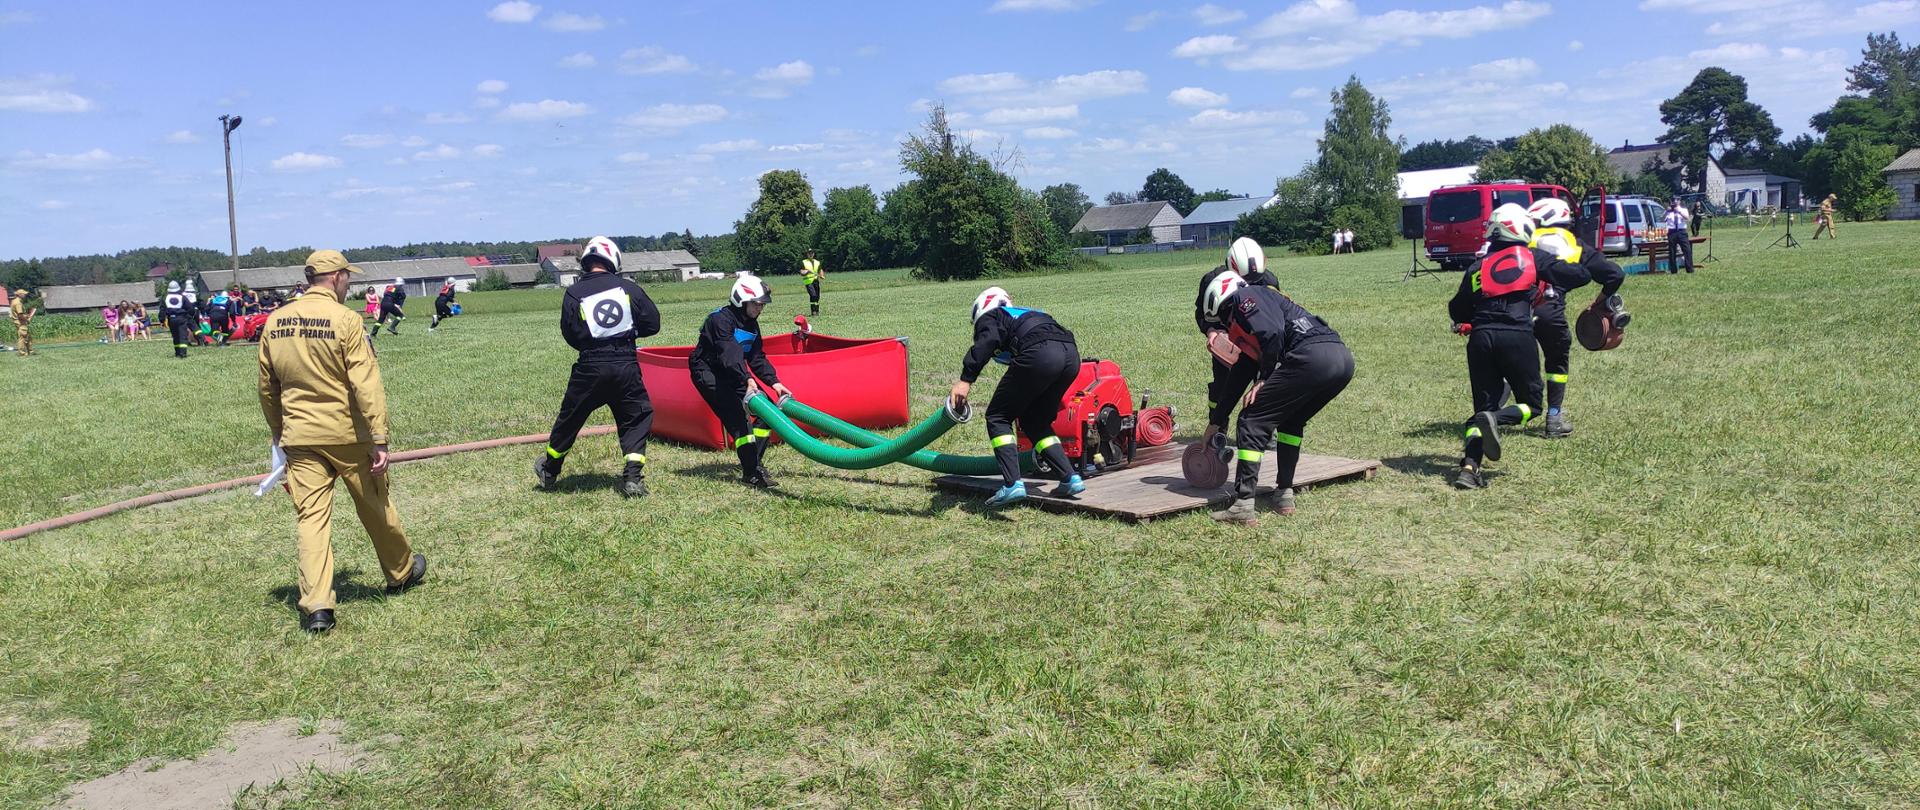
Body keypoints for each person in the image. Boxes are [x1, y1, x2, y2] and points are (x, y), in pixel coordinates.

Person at [257, 249, 426, 633]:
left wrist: (278, 432)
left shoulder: (276, 321)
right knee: (375, 505)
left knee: (311, 520)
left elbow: (268, 388)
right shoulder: (346, 320)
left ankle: (317, 605)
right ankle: (400, 572)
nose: (349, 282)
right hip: (348, 435)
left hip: (300, 438)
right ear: (335, 278)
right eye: (347, 276)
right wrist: (379, 437)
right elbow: (366, 383)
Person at [1448, 204, 1601, 490]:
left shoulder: (1477, 267)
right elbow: (1581, 276)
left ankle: (1469, 469)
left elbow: (1457, 310)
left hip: (1480, 339)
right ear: (1521, 228)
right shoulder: (1533, 257)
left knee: (1481, 408)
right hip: (1517, 336)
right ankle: (1495, 418)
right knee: (1531, 406)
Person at [1200, 268, 1354, 524]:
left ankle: (1243, 504)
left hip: (1310, 358)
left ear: (1222, 299)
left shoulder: (1244, 298)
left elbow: (1271, 333)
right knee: (1291, 421)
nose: (1228, 327)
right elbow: (1241, 370)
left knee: (1251, 420)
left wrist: (1264, 378)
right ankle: (1284, 494)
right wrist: (1216, 420)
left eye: (1225, 320)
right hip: (1341, 360)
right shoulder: (1267, 301)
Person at [533, 237, 662, 497]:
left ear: (587, 262)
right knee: (636, 416)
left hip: (589, 366)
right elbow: (653, 323)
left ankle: (550, 469)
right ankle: (633, 476)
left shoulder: (574, 292)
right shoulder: (628, 288)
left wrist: (589, 345)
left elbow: (569, 332)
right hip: (625, 364)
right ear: (613, 260)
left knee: (570, 418)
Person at [949, 287, 1086, 507]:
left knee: (998, 416)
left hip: (1040, 354)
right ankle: (1069, 477)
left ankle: (1012, 484)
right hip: (1071, 356)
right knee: (1035, 421)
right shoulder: (1028, 313)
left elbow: (988, 341)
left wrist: (966, 380)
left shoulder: (991, 316)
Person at [1526, 198, 1628, 438]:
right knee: (1557, 363)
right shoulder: (1574, 244)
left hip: (1517, 311)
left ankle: (1495, 413)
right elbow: (1615, 274)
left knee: (1512, 360)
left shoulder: (1522, 241)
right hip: (1550, 313)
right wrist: (1599, 301)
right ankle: (1554, 418)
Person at [690, 274, 793, 489]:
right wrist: (746, 378)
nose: (760, 309)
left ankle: (753, 461)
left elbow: (756, 357)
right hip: (709, 372)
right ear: (741, 300)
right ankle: (751, 473)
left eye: (762, 305)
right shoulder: (720, 320)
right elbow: (729, 353)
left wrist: (774, 382)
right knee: (739, 420)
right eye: (757, 304)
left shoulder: (752, 325)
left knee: (768, 413)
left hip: (735, 373)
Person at [1195, 238, 1283, 443]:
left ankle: (1265, 432)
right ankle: (1218, 429)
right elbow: (1203, 313)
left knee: (1264, 384)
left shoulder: (1269, 280)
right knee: (1222, 388)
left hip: (1261, 342)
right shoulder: (1212, 280)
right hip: (1229, 343)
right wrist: (1212, 332)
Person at [161, 280, 194, 358]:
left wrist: (162, 320)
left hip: (171, 319)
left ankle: (177, 353)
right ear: (178, 289)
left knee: (175, 336)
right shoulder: (182, 297)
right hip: (181, 318)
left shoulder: (165, 298)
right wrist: (190, 315)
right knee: (182, 336)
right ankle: (183, 354)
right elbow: (190, 308)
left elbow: (162, 310)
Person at [1663, 200, 1693, 274]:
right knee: (1672, 251)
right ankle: (1673, 270)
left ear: (1679, 201)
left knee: (1687, 250)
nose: (1674, 202)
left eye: (1676, 200)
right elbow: (1662, 219)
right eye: (1673, 201)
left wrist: (1679, 212)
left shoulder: (1683, 210)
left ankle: (1689, 269)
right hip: (1672, 232)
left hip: (1681, 231)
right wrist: (1666, 212)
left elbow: (1687, 218)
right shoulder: (1669, 212)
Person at [9, 289, 35, 357]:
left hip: (18, 322)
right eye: (24, 294)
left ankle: (30, 351)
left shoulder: (14, 301)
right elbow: (20, 315)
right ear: (20, 295)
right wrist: (27, 319)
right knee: (22, 338)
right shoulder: (18, 303)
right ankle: (22, 353)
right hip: (21, 322)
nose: (25, 295)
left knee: (27, 337)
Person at [801, 249, 823, 316]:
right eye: (809, 253)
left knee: (817, 296)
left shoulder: (817, 262)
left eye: (812, 253)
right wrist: (807, 271)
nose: (810, 254)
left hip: (816, 281)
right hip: (808, 281)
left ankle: (817, 311)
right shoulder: (804, 262)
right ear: (807, 254)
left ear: (813, 254)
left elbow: (820, 269)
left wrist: (821, 275)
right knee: (813, 295)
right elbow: (802, 272)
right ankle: (813, 311)